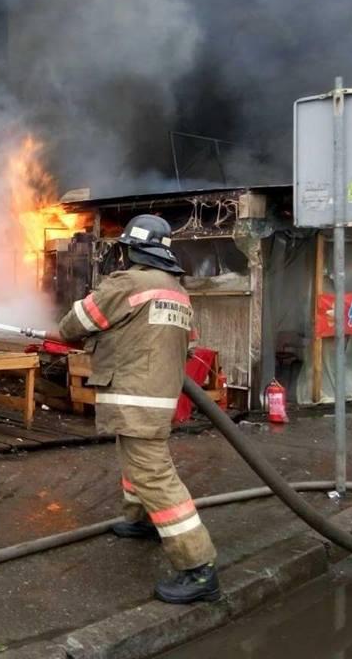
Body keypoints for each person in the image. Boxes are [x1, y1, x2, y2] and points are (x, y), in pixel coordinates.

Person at [57, 214, 220, 604]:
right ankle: (140, 520)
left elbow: (72, 325)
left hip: (133, 395)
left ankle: (199, 570)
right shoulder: (177, 292)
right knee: (137, 460)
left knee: (154, 475)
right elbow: (188, 345)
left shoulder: (127, 283)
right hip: (160, 398)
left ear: (132, 250)